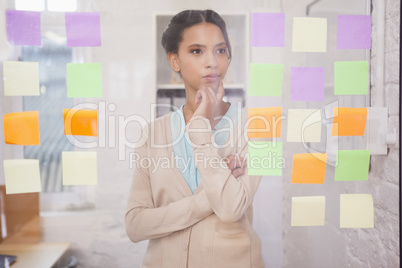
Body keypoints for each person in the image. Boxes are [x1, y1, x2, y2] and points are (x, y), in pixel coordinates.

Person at [125, 9, 264, 267]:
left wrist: (199, 127)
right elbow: (135, 225)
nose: (212, 61)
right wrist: (203, 201)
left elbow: (231, 209)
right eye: (197, 51)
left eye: (220, 50)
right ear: (175, 61)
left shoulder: (259, 129)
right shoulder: (153, 133)